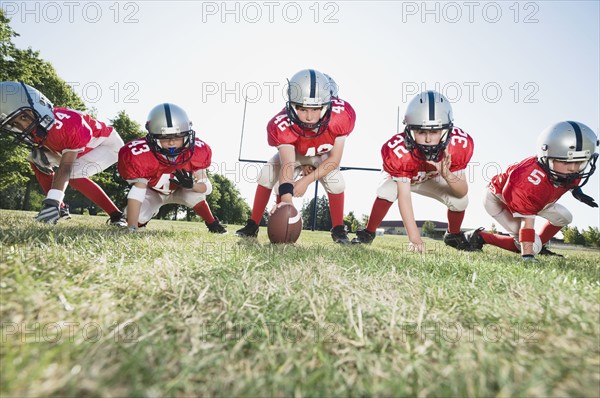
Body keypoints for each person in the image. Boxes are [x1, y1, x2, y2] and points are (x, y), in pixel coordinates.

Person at [234, 69, 356, 243]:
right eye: (302, 108)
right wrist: (287, 201)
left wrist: (306, 180)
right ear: (291, 104)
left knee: (337, 182)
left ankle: (338, 229)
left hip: (321, 156)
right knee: (267, 174)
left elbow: (334, 160)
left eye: (316, 109)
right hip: (295, 154)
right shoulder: (281, 124)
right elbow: (288, 163)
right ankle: (253, 224)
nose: (309, 117)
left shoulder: (340, 117)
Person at [352, 90, 475, 252]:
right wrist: (415, 239)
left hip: (431, 177)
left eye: (434, 131)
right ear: (409, 130)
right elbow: (405, 196)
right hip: (403, 179)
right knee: (386, 190)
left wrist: (447, 174)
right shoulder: (399, 150)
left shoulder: (457, 146)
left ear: (446, 131)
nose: (428, 139)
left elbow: (461, 192)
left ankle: (453, 234)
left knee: (461, 202)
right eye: (421, 131)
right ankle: (368, 232)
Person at [463, 121, 599, 260]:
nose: (574, 169)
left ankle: (540, 245)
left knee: (564, 217)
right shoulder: (527, 183)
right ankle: (480, 237)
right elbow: (527, 223)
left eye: (581, 162)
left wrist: (577, 192)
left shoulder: (562, 170)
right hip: (499, 200)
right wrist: (528, 256)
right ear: (546, 157)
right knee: (531, 247)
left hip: (539, 199)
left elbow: (569, 181)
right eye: (566, 161)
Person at [0, 81, 126, 225]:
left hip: (106, 144)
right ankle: (59, 209)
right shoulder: (39, 126)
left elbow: (65, 167)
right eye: (15, 124)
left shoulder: (68, 124)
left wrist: (52, 200)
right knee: (37, 159)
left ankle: (116, 215)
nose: (22, 127)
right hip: (75, 147)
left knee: (71, 174)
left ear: (37, 106)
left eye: (23, 118)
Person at [118, 103, 226, 233]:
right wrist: (132, 227)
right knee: (137, 216)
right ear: (153, 136)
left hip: (182, 190)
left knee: (195, 195)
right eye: (164, 138)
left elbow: (207, 188)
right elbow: (138, 190)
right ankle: (138, 220)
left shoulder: (197, 151)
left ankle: (213, 223)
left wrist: (191, 185)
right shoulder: (140, 154)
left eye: (177, 136)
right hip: (154, 191)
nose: (171, 142)